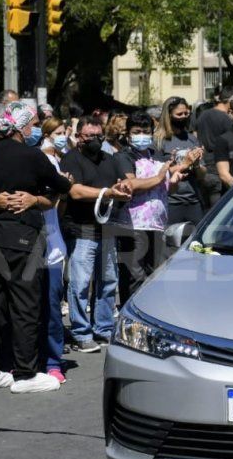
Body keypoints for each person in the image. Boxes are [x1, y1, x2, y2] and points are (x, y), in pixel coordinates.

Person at [0, 102, 73, 392]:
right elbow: (61, 185)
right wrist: (55, 187)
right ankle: (26, 374)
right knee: (26, 304)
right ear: (18, 127)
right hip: (22, 238)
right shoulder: (30, 154)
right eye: (29, 124)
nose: (32, 129)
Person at [60, 117, 133, 353]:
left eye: (98, 136)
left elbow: (122, 181)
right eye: (89, 136)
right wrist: (108, 192)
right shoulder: (71, 159)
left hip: (106, 227)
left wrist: (122, 188)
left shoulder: (109, 159)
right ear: (79, 137)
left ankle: (103, 328)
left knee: (108, 282)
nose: (94, 140)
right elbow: (75, 192)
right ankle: (81, 332)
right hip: (81, 229)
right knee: (80, 284)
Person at [112, 112, 202, 304]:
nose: (142, 135)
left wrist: (175, 178)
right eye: (136, 132)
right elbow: (131, 184)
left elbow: (167, 187)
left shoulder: (157, 156)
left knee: (154, 274)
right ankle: (129, 313)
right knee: (134, 275)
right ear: (127, 134)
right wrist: (161, 177)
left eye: (146, 132)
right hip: (133, 225)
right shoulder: (124, 156)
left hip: (157, 223)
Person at [39, 117, 72, 383]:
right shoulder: (31, 160)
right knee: (28, 309)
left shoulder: (54, 163)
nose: (60, 137)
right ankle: (27, 360)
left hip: (51, 248)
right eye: (56, 133)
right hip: (25, 248)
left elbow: (56, 209)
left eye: (63, 132)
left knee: (51, 307)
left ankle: (52, 361)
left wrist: (61, 192)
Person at [157, 96, 208, 225]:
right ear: (169, 116)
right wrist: (185, 163)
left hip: (193, 199)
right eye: (179, 114)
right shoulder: (159, 140)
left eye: (186, 113)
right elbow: (157, 174)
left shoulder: (191, 139)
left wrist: (196, 164)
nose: (184, 117)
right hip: (170, 200)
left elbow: (202, 175)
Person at [196, 86, 233, 208]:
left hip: (203, 168)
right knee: (218, 211)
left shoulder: (203, 115)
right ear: (231, 100)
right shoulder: (226, 119)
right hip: (218, 169)